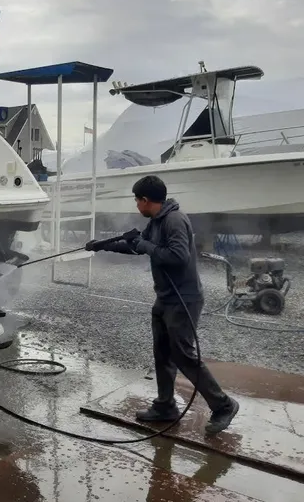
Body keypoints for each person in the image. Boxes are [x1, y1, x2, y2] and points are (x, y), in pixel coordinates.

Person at [85, 175, 239, 435]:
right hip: (166, 297)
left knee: (184, 355)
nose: (136, 205)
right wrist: (103, 246)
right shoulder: (157, 221)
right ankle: (165, 406)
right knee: (163, 352)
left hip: (184, 298)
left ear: (146, 200)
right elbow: (138, 247)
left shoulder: (174, 220)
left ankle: (223, 405)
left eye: (137, 200)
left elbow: (178, 256)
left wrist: (145, 245)